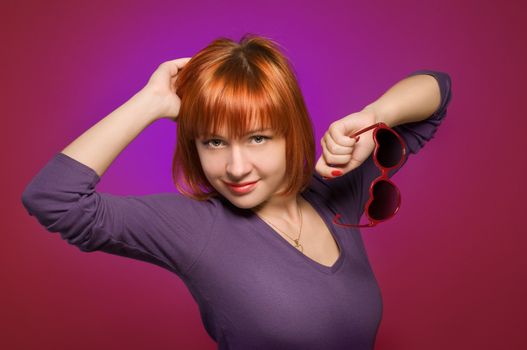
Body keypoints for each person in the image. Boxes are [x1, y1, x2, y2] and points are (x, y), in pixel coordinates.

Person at [21, 33, 452, 349]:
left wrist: (373, 116)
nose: (235, 166)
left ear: (291, 133)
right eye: (214, 142)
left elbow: (437, 92)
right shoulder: (196, 228)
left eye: (258, 138)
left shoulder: (337, 190)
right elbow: (54, 198)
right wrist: (150, 102)